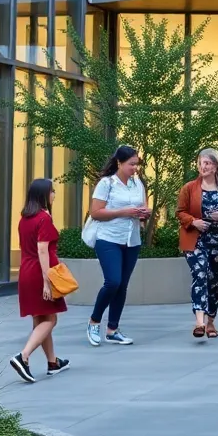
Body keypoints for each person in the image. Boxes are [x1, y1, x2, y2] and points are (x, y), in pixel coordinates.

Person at [87, 145, 149, 347]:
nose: (135, 168)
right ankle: (94, 321)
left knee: (122, 285)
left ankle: (112, 329)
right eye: (131, 164)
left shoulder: (137, 183)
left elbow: (141, 208)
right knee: (112, 281)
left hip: (131, 240)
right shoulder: (107, 183)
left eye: (136, 164)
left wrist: (143, 214)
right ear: (119, 163)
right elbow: (96, 212)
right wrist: (123, 211)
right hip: (108, 238)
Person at [177, 148, 218, 338]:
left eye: (206, 163)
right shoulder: (189, 188)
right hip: (195, 241)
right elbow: (180, 212)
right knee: (200, 275)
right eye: (200, 163)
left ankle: (211, 321)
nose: (202, 166)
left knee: (214, 283)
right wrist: (193, 222)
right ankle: (199, 323)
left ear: (215, 166)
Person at [10, 178, 69, 383]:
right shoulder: (44, 218)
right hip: (39, 273)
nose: (54, 194)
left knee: (40, 319)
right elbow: (42, 249)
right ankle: (23, 356)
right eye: (52, 191)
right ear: (44, 195)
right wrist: (47, 280)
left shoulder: (24, 218)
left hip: (26, 272)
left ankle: (53, 363)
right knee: (51, 319)